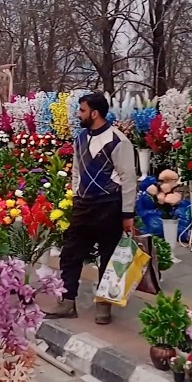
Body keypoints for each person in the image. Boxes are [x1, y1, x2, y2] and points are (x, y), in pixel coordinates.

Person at [42, 92, 137, 324]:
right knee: (71, 253)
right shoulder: (80, 138)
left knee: (108, 257)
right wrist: (76, 196)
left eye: (82, 110)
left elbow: (129, 178)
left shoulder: (118, 141)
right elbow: (76, 170)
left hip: (109, 207)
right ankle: (67, 302)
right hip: (84, 206)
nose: (78, 114)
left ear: (94, 113)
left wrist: (127, 215)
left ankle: (104, 306)